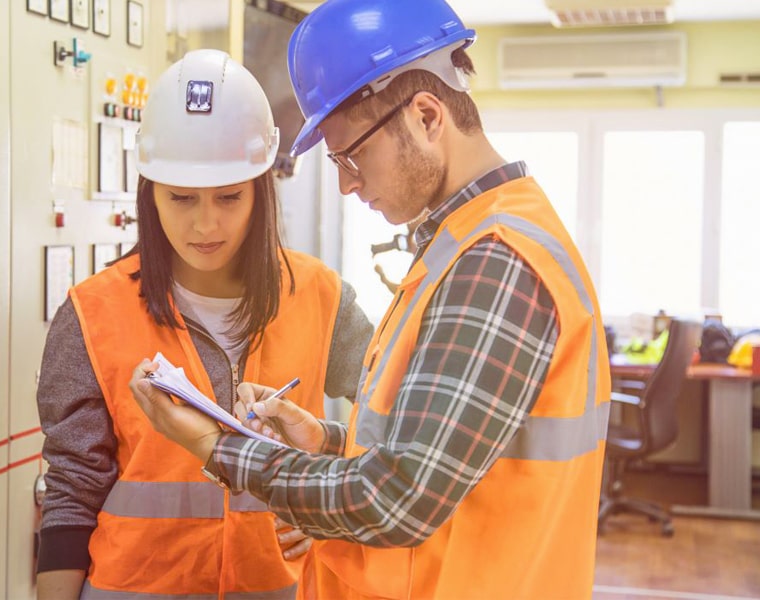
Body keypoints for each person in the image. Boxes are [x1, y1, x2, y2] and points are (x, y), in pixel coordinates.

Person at [129, 1, 611, 598]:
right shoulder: (463, 247)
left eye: (350, 155)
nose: (346, 183)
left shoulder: (497, 263)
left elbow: (397, 498)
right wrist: (326, 441)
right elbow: (439, 452)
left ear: (427, 116)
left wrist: (214, 445)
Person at [35, 49, 373, 599]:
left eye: (230, 197)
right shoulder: (92, 313)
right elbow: (72, 491)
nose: (206, 224)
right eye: (182, 198)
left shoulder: (321, 296)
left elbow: (399, 430)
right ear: (149, 192)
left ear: (261, 190)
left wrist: (332, 506)